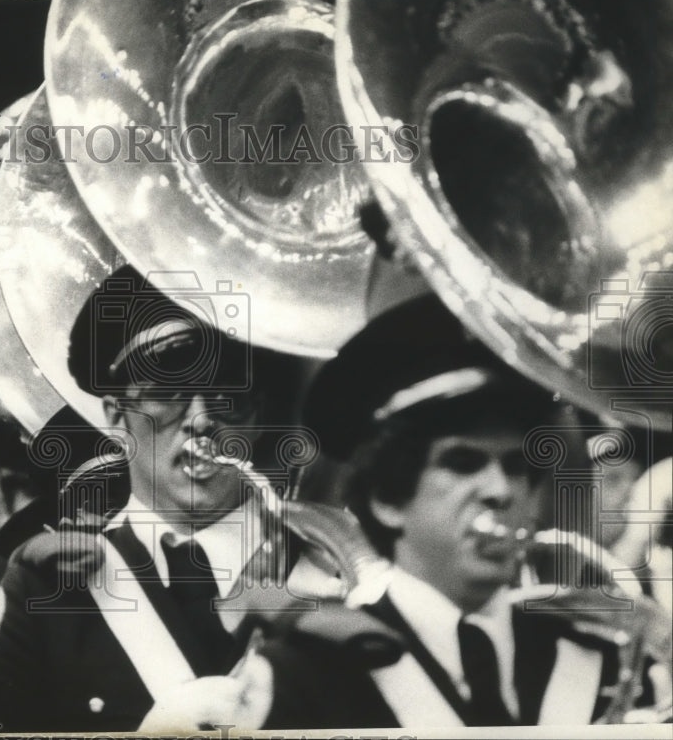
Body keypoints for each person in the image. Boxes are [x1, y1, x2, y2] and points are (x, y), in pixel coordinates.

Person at [143, 294, 643, 730]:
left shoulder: (602, 663)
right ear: (387, 499)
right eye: (463, 463)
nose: (500, 491)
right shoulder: (306, 677)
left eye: (516, 468)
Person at [0, 265, 303, 732]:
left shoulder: (326, 562)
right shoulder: (50, 594)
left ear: (255, 416)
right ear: (116, 416)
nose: (200, 418)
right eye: (167, 393)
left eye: (225, 394)